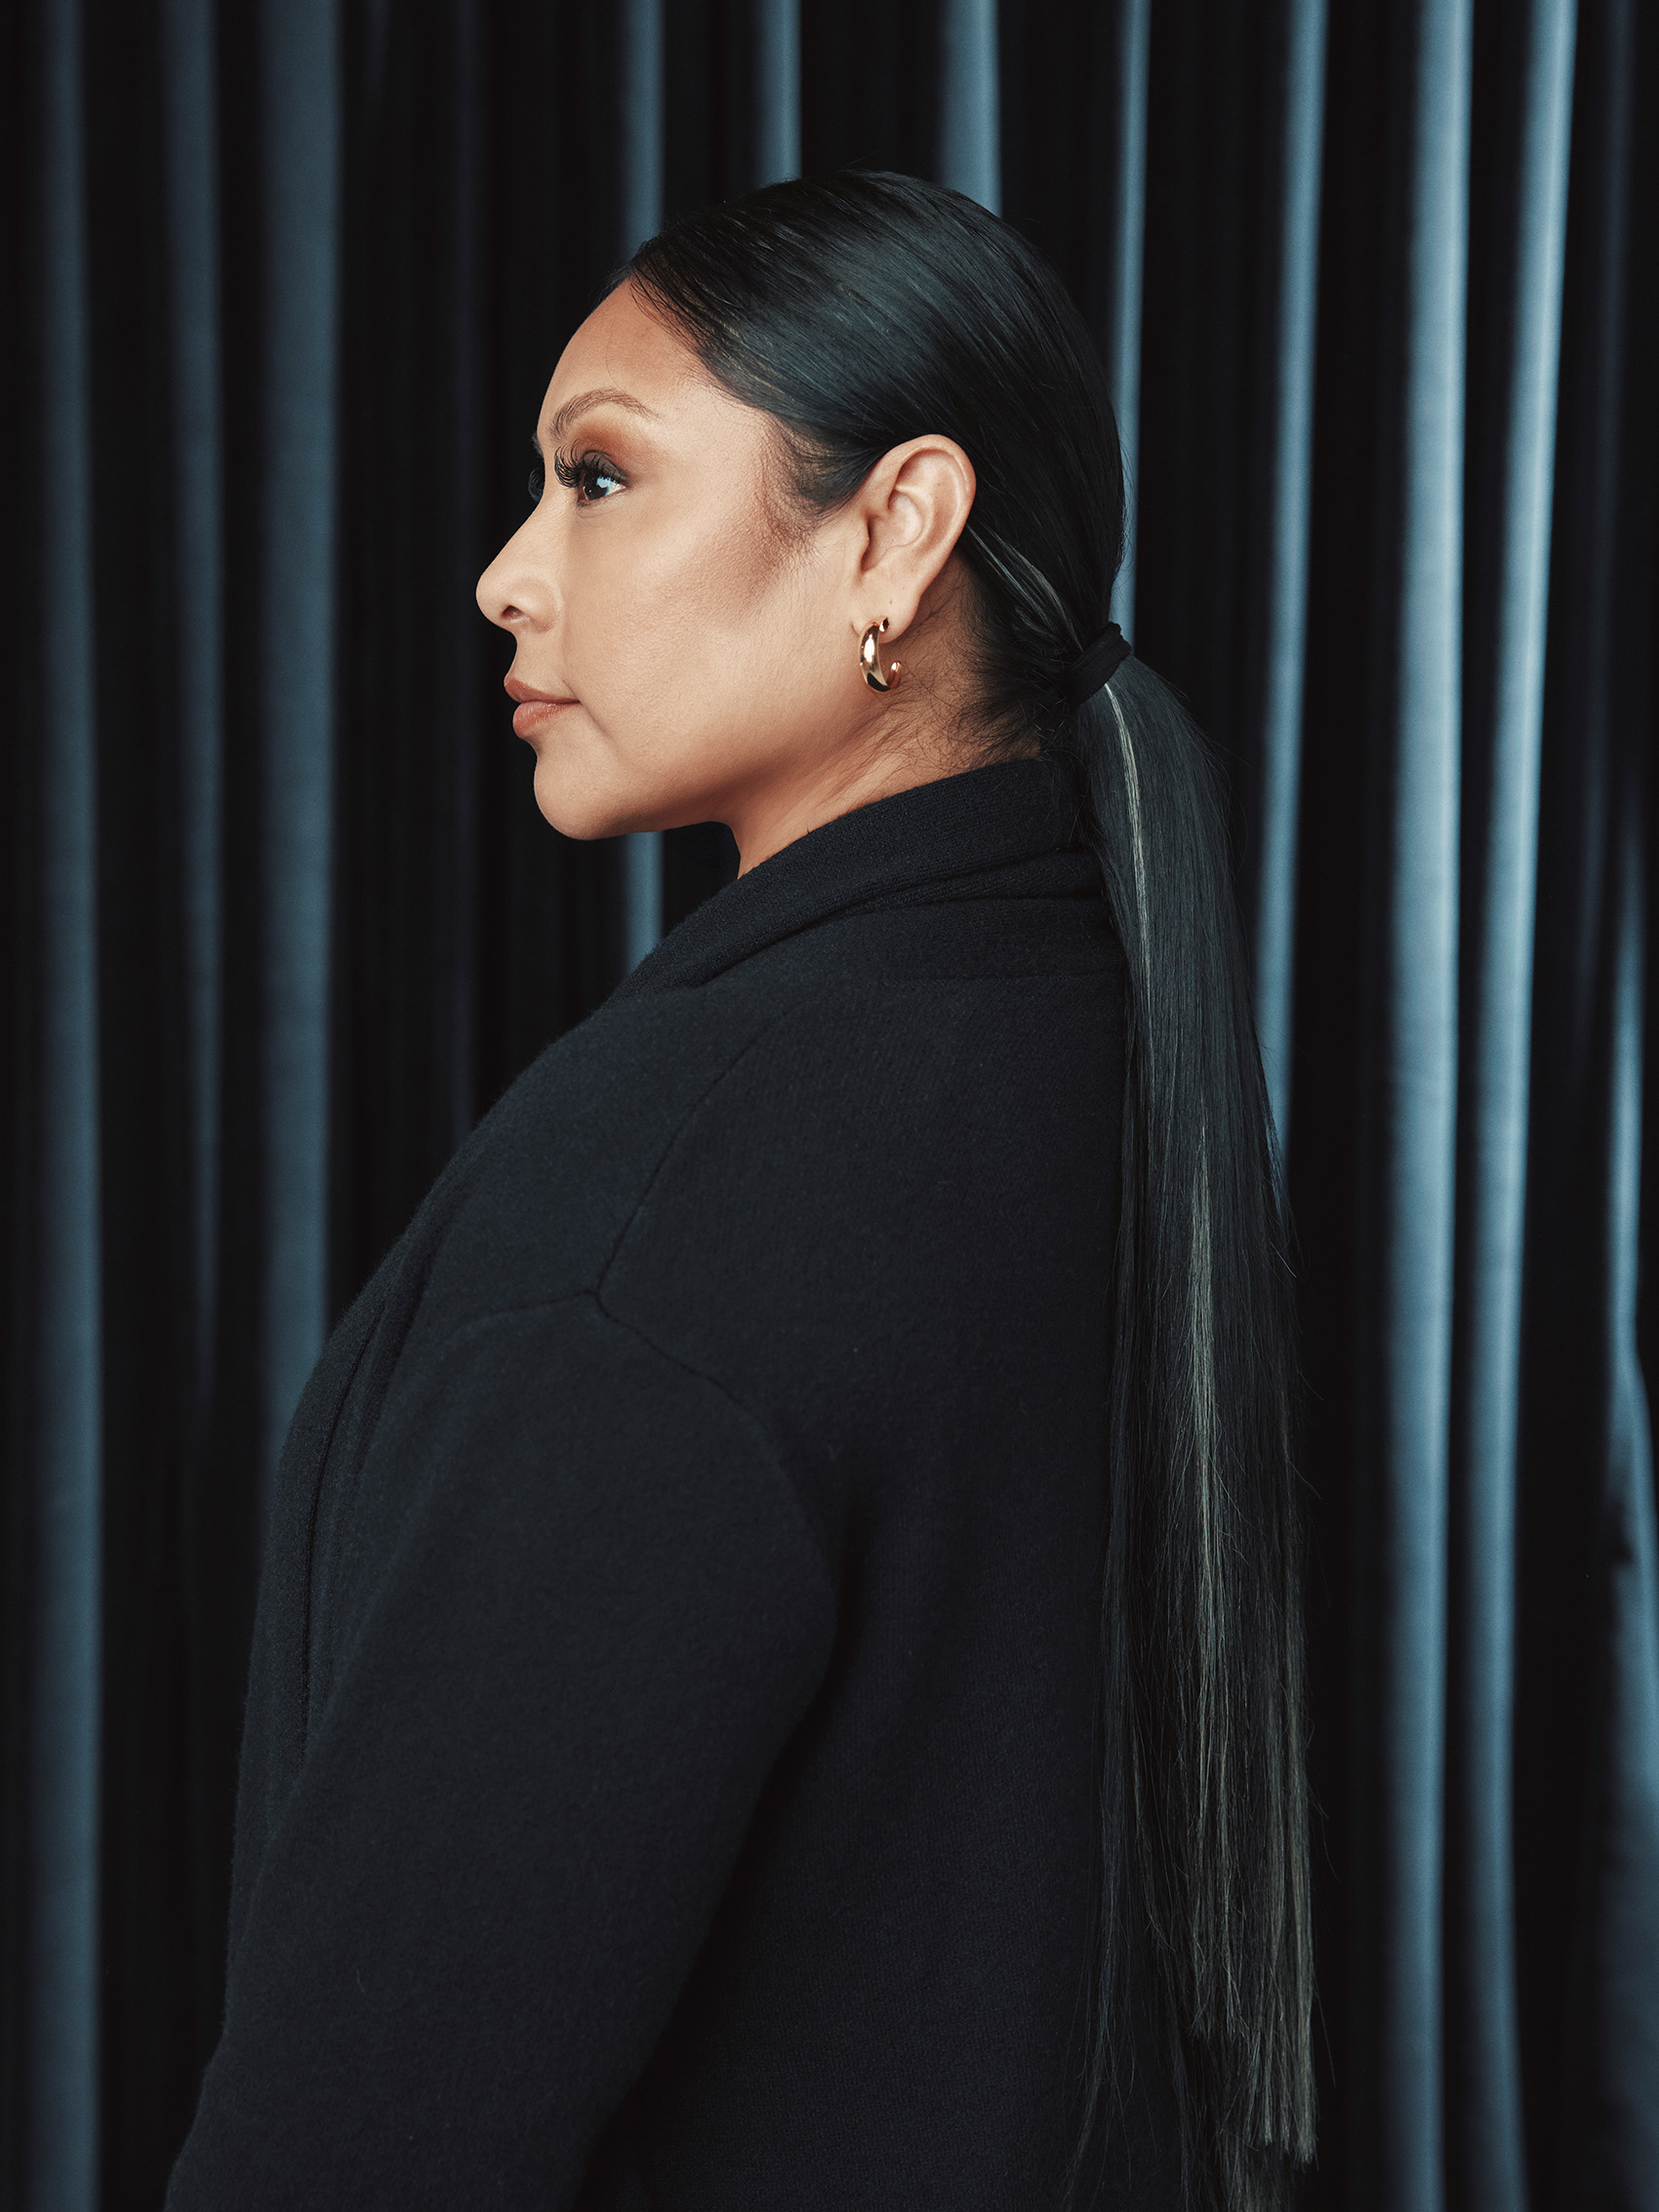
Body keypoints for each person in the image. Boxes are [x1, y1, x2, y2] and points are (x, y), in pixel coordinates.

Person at [166, 171, 1313, 2211]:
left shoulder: (678, 1180)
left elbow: (365, 2132)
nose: (511, 575)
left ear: (894, 529)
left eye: (598, 479)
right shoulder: (1085, 1040)